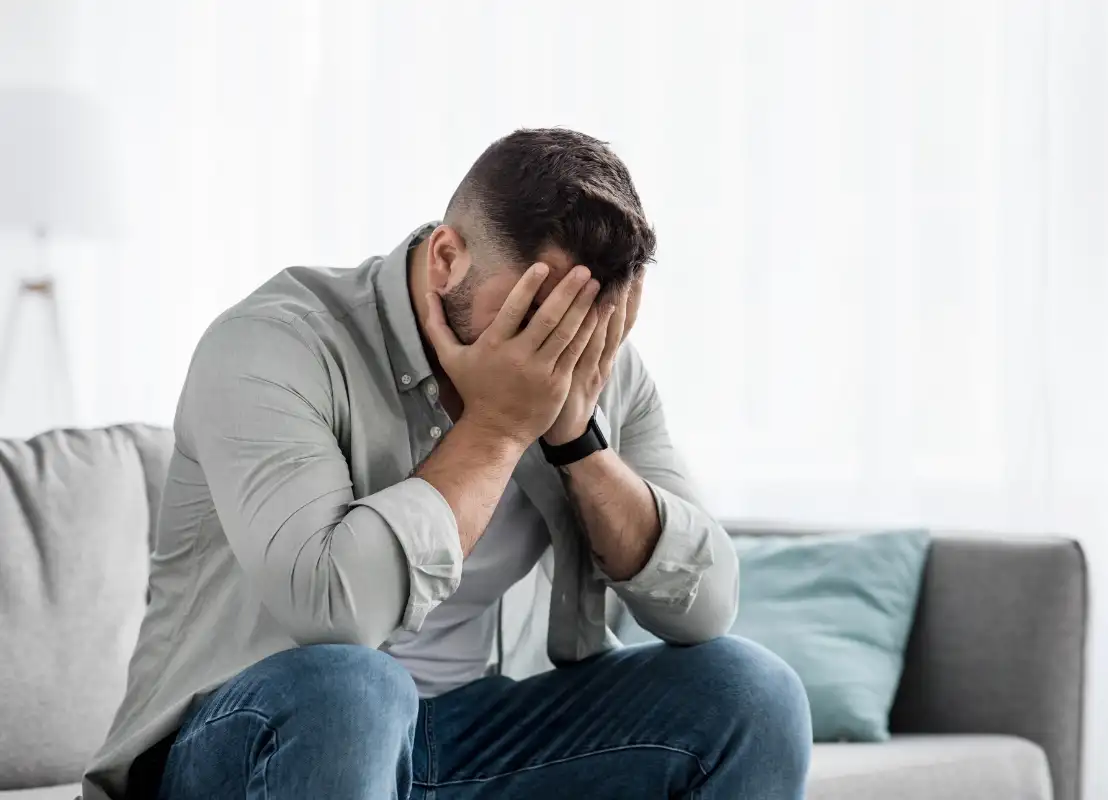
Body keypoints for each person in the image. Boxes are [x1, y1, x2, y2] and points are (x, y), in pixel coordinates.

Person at [84, 128, 811, 800]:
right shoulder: (275, 345)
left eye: (585, 319)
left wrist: (576, 443)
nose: (556, 346)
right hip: (258, 735)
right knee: (355, 689)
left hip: (476, 734)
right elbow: (332, 610)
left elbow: (708, 603)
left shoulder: (599, 365)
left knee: (751, 694)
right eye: (531, 310)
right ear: (446, 259)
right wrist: (497, 430)